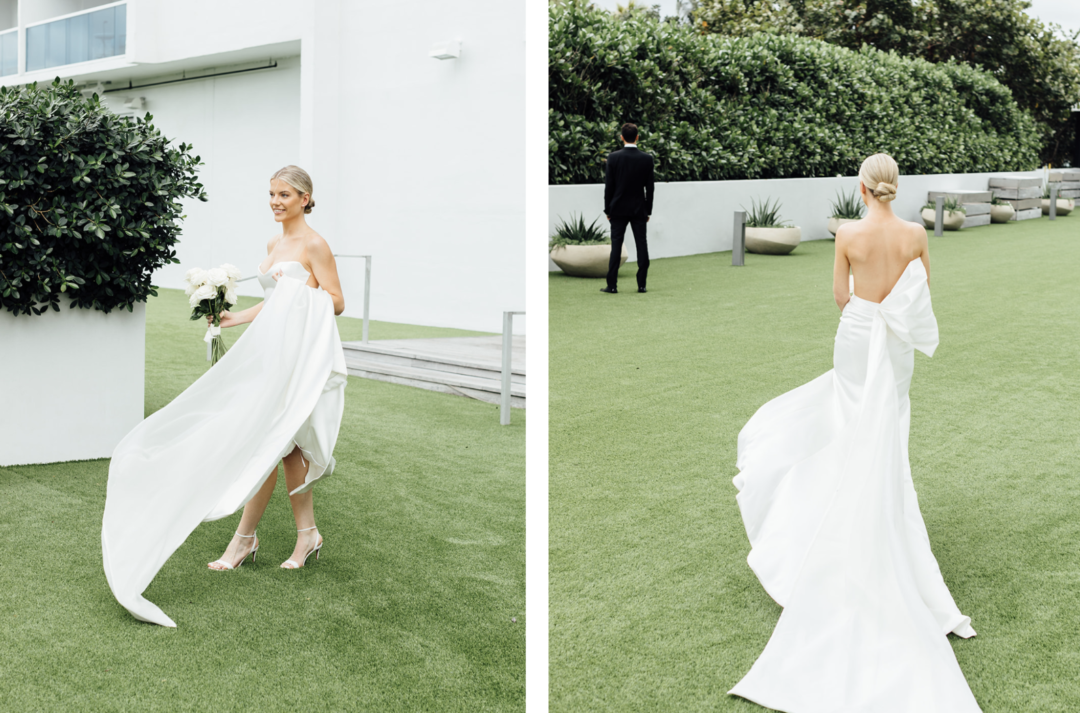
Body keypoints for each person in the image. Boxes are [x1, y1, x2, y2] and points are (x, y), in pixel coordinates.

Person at [729, 153, 981, 711]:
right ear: (894, 187)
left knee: (845, 423)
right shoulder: (916, 233)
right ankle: (875, 511)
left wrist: (866, 310)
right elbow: (920, 297)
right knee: (886, 431)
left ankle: (833, 516)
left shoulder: (847, 232)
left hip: (858, 334)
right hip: (892, 346)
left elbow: (841, 297)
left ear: (863, 188)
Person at [101, 166, 349, 627]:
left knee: (277, 441)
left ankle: (252, 539)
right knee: (277, 442)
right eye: (271, 194)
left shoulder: (315, 244)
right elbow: (274, 302)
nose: (276, 201)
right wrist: (232, 319)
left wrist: (302, 295)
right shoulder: (273, 245)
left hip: (297, 356)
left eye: (285, 195)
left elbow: (335, 301)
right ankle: (295, 536)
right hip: (268, 355)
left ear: (305, 198)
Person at [601, 123, 654, 294]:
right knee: (642, 244)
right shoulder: (647, 159)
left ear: (621, 137)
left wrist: (607, 209)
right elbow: (650, 188)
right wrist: (648, 210)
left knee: (616, 246)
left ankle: (612, 285)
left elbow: (609, 187)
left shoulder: (613, 158)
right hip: (639, 209)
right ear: (637, 137)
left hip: (617, 209)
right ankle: (642, 285)